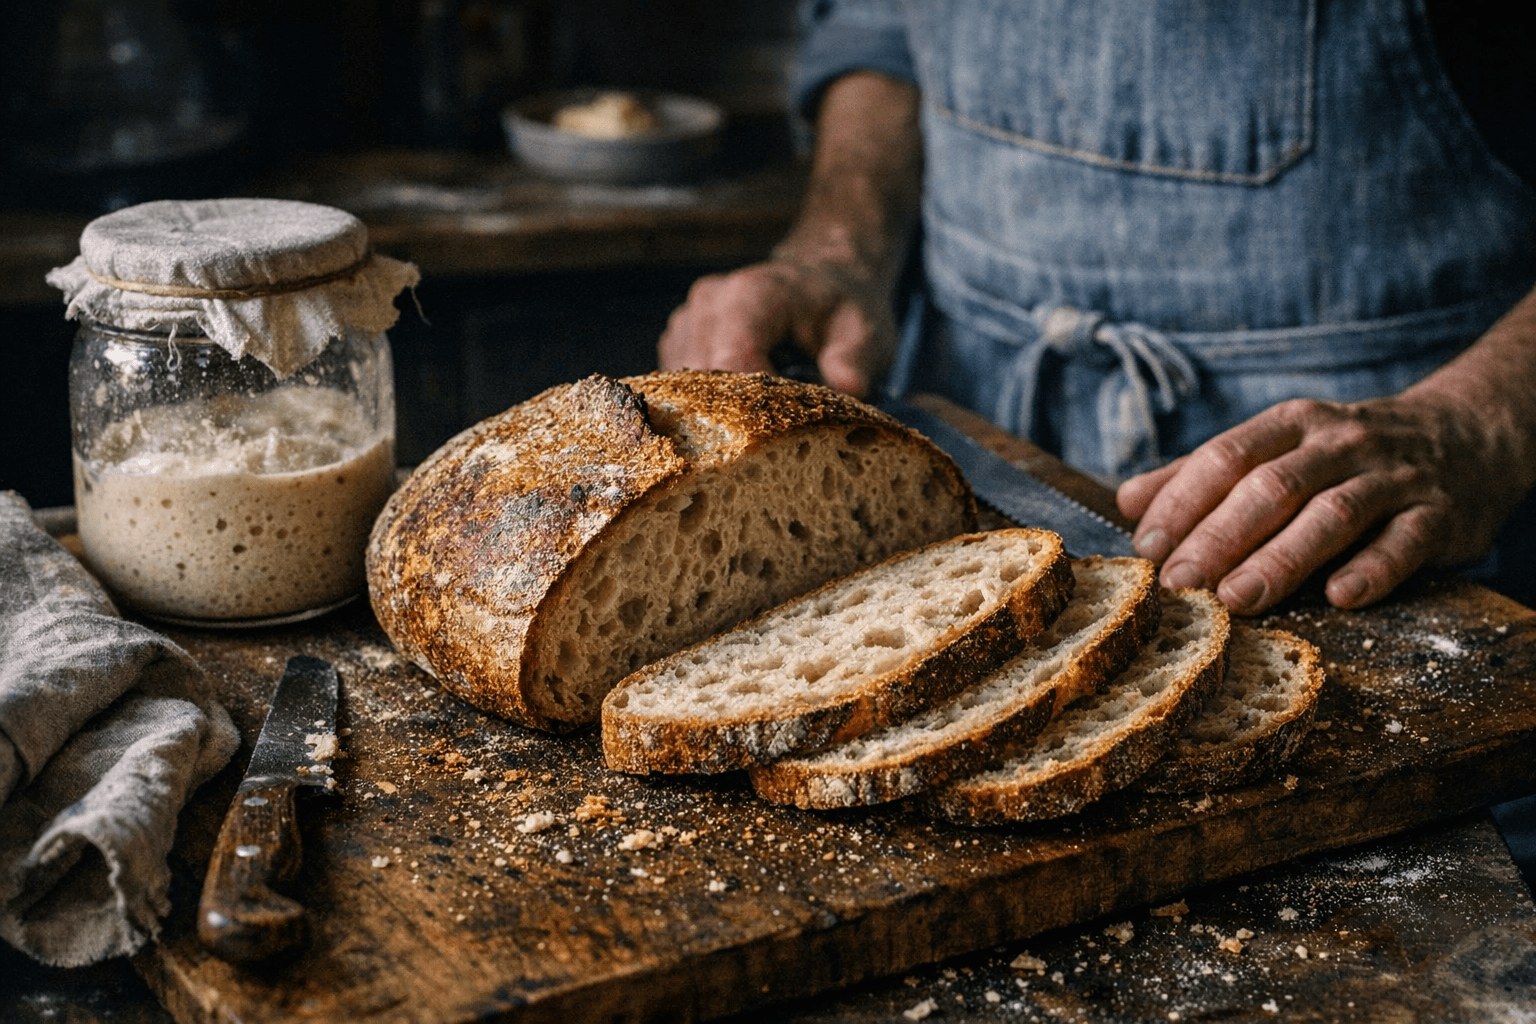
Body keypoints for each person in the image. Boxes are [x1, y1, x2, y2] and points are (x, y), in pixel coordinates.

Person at [658, 0, 1536, 617]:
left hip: (1360, 493)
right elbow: (882, 25)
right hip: (964, 412)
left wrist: (1480, 422)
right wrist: (838, 248)